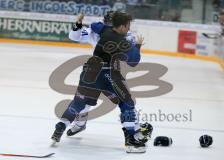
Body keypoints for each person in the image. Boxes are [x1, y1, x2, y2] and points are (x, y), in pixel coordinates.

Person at [51, 11, 152, 153]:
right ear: (122, 26)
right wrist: (138, 46)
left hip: (90, 71)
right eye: (128, 25)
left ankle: (62, 124)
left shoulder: (101, 28)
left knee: (80, 102)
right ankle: (131, 138)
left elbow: (93, 25)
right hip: (109, 74)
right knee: (126, 103)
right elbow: (134, 61)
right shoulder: (124, 40)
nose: (129, 28)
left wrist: (85, 23)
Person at [67, 11, 139, 136]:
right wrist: (78, 24)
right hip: (95, 71)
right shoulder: (94, 31)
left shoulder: (126, 35)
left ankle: (135, 126)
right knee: (84, 100)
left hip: (111, 72)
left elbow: (131, 59)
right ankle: (80, 124)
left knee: (125, 100)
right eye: (108, 23)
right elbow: (74, 37)